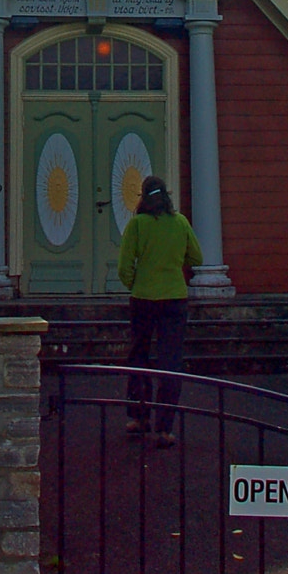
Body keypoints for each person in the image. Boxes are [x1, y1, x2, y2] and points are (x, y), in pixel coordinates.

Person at [117, 175, 202, 445]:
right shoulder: (180, 223)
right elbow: (196, 257)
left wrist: (136, 283)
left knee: (139, 355)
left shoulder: (137, 225)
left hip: (143, 298)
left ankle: (138, 417)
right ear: (166, 196)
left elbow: (124, 266)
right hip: (175, 298)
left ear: (143, 197)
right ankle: (164, 428)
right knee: (170, 361)